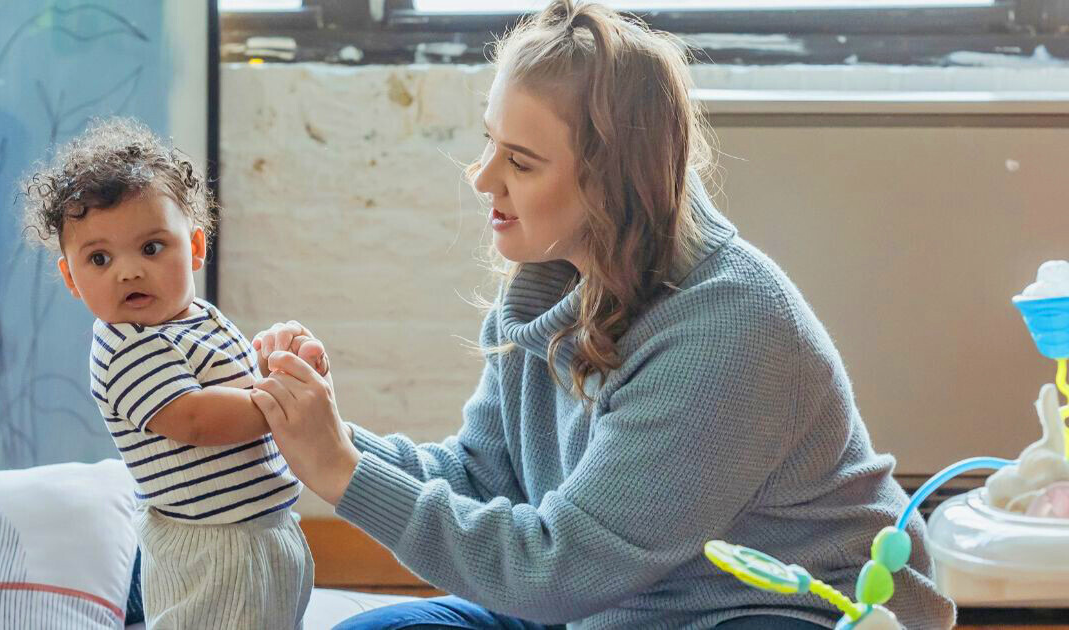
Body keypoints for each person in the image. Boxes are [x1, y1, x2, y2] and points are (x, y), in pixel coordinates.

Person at [250, 1, 956, 627]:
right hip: (611, 602)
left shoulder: (729, 333)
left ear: (613, 181)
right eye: (489, 140)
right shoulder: (549, 284)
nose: (481, 176)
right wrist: (319, 426)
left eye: (521, 162)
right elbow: (479, 477)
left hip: (778, 608)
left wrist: (342, 470)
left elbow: (555, 571)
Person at [23, 117, 323, 629]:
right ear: (71, 278)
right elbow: (197, 419)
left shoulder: (199, 317)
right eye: (99, 258)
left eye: (152, 247)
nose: (128, 270)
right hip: (210, 548)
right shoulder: (123, 348)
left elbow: (235, 378)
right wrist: (282, 399)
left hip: (265, 526)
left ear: (197, 247)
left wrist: (280, 360)